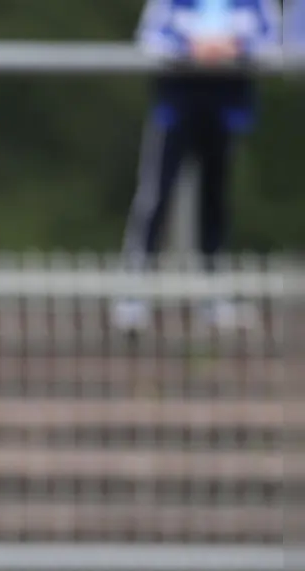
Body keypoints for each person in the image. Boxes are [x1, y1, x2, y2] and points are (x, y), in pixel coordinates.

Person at [117, 0, 281, 333]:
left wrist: (233, 48)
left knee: (215, 200)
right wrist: (191, 48)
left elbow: (272, 41)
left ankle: (212, 297)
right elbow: (150, 37)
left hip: (224, 110)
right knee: (156, 196)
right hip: (176, 108)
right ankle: (133, 296)